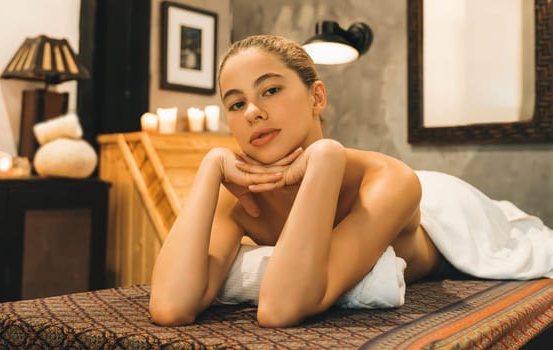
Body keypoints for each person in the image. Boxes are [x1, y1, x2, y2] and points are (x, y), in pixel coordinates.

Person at [148, 34, 553, 328]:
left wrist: (325, 157)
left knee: (524, 234)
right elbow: (169, 308)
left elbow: (279, 308)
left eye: (270, 90)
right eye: (236, 103)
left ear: (316, 98)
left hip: (444, 205)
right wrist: (210, 166)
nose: (252, 111)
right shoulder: (237, 192)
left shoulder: (391, 180)